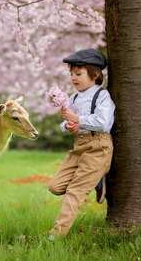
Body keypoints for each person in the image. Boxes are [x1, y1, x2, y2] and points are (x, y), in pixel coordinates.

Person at [47, 48, 115, 238]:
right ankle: (96, 179)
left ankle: (56, 234)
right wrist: (69, 125)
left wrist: (78, 119)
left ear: (94, 74)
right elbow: (64, 123)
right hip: (79, 147)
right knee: (55, 187)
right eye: (71, 74)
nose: (73, 78)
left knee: (74, 192)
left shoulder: (101, 96)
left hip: (97, 147)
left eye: (78, 74)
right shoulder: (74, 98)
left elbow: (103, 122)